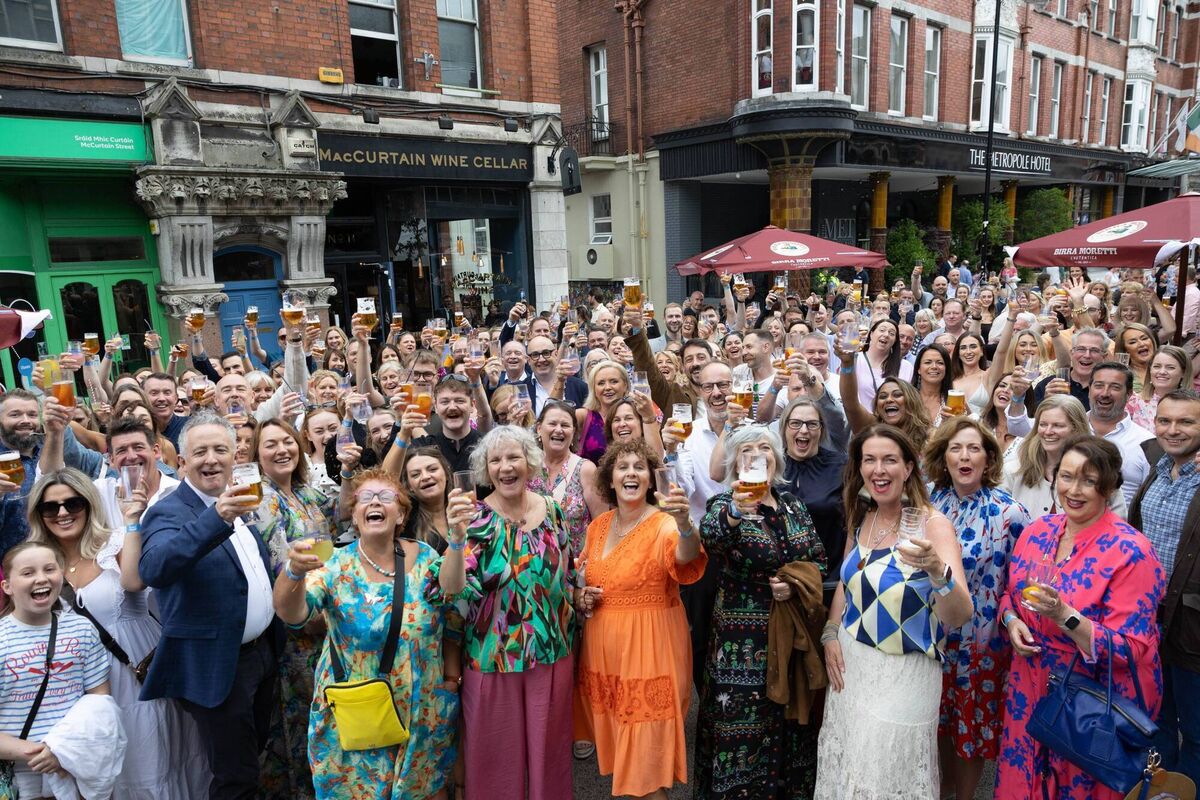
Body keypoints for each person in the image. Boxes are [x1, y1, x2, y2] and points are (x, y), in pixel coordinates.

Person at [273, 467, 461, 799]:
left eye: (386, 497)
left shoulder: (426, 555)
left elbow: (451, 604)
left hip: (420, 711)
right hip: (356, 715)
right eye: (366, 498)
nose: (375, 502)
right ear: (355, 515)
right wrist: (294, 572)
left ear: (401, 513)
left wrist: (450, 678)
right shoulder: (333, 563)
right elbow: (294, 615)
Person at [996, 436, 1166, 800]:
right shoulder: (1038, 531)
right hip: (1030, 688)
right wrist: (1012, 621)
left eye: (1088, 481)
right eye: (1067, 476)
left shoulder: (1132, 553)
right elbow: (1009, 594)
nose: (1074, 490)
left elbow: (1131, 649)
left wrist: (1065, 616)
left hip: (1089, 707)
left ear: (1109, 487)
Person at [25, 468, 209, 798]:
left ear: (89, 504)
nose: (63, 513)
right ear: (39, 514)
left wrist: (132, 521)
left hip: (135, 672)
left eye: (73, 503)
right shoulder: (38, 561)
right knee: (105, 772)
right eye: (50, 507)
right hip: (78, 686)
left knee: (153, 761)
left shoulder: (116, 542)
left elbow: (135, 581)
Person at [816, 425, 972, 799]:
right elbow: (847, 583)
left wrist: (938, 571)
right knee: (851, 767)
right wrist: (830, 632)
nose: (878, 469)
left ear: (908, 468)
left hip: (905, 673)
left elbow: (959, 614)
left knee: (887, 777)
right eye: (869, 460)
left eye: (889, 460)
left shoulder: (934, 525)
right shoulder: (863, 516)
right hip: (854, 669)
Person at [139, 412, 283, 800]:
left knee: (253, 759)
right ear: (181, 462)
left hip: (261, 656)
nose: (211, 459)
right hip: (218, 665)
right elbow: (154, 567)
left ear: (236, 456)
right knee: (236, 778)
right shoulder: (167, 512)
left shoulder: (241, 500)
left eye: (221, 449)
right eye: (199, 451)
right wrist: (214, 517)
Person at [432, 425, 577, 800]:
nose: (505, 467)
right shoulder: (475, 520)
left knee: (551, 761)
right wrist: (456, 536)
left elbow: (568, 578)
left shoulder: (554, 511)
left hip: (550, 654)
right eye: (495, 460)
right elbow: (449, 590)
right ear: (485, 470)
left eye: (513, 457)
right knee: (495, 766)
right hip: (491, 658)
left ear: (529, 462)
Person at [696, 425, 828, 799]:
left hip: (792, 642)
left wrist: (797, 582)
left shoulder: (793, 505)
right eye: (747, 450)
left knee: (790, 731)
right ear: (736, 464)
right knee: (742, 736)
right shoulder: (725, 506)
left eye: (765, 448)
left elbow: (819, 559)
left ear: (776, 458)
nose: (758, 456)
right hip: (742, 649)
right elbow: (712, 537)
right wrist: (738, 509)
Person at [574, 440, 706, 799]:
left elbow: (684, 556)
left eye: (639, 467)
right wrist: (578, 594)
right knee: (628, 765)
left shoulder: (663, 523)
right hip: (606, 659)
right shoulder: (598, 526)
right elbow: (583, 576)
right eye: (622, 467)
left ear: (650, 479)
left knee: (643, 776)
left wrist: (685, 526)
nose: (631, 473)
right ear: (610, 480)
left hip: (650, 655)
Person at [924, 419, 1031, 800]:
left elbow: (1021, 582)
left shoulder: (1010, 512)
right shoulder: (927, 504)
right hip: (931, 637)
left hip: (981, 645)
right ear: (943, 456)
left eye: (973, 448)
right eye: (956, 448)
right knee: (934, 723)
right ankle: (940, 791)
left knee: (970, 728)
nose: (964, 456)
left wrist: (1013, 620)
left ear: (988, 458)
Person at [254, 418, 344, 799]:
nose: (281, 450)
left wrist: (351, 470)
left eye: (287, 442)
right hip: (299, 626)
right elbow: (279, 563)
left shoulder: (304, 492)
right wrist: (315, 617)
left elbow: (342, 514)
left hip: (324, 617)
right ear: (257, 455)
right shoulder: (263, 496)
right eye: (270, 444)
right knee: (306, 718)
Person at [0, 541, 113, 799]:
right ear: (7, 586)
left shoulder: (82, 630)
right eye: (28, 573)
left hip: (75, 775)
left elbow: (101, 705)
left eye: (49, 569)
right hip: (18, 783)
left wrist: (63, 751)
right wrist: (44, 752)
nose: (41, 578)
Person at [1128, 390, 1200, 784]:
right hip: (1150, 621)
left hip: (1192, 626)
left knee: (1196, 731)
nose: (1173, 430)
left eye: (1186, 422)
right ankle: (1162, 792)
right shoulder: (1158, 467)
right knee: (1155, 721)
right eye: (1165, 421)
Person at [0, 391, 104, 557]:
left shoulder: (51, 450)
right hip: (13, 570)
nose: (26, 421)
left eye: (32, 414)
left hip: (61, 561)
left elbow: (101, 464)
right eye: (15, 414)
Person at [1002, 394, 1126, 518]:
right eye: (1043, 424)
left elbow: (1118, 527)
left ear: (1076, 429)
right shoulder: (1014, 470)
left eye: (1058, 425)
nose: (1048, 431)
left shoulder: (1102, 473)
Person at [528, 400, 608, 556]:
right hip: (533, 568)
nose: (558, 430)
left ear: (573, 433)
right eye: (552, 424)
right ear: (539, 429)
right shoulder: (527, 468)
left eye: (565, 425)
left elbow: (602, 524)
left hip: (576, 568)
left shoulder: (586, 469)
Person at [1086, 362, 1153, 505]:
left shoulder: (1146, 443)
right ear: (1089, 389)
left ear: (1129, 394)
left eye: (1115, 387)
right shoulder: (1068, 430)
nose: (1104, 393)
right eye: (1098, 385)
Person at [576, 360, 633, 463]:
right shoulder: (582, 416)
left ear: (625, 385)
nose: (607, 387)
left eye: (614, 381)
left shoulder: (637, 415)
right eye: (601, 383)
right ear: (594, 389)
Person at [1127, 345, 1195, 431]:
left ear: (1183, 373)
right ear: (1150, 370)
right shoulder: (1133, 401)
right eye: (1157, 366)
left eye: (1170, 367)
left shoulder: (1194, 406)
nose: (1162, 372)